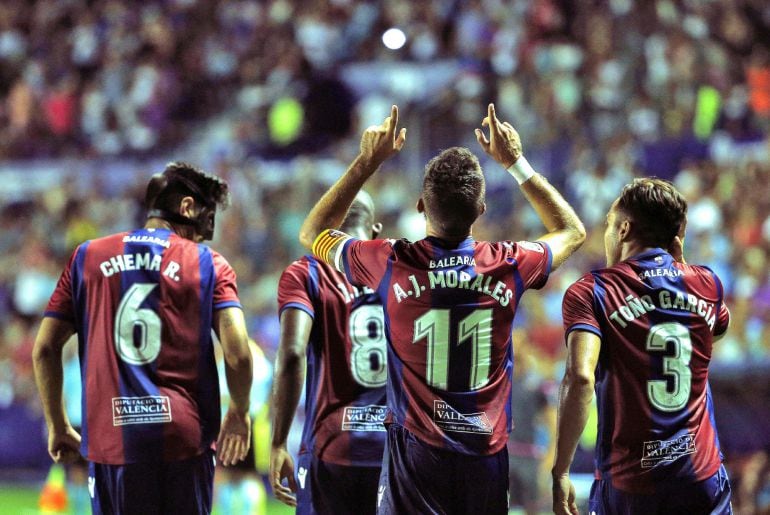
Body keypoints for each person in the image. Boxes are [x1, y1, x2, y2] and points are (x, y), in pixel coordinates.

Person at [297, 104, 586, 514]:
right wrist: (515, 163)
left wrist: (367, 161)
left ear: (420, 205)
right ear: (481, 209)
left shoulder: (391, 262)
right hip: (484, 455)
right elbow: (572, 231)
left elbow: (312, 232)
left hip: (415, 456)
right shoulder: (508, 262)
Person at [32, 162, 254, 515]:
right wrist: (240, 412)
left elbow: (45, 348)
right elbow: (239, 353)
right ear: (186, 208)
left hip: (114, 440)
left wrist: (58, 425)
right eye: (207, 219)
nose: (204, 234)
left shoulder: (86, 257)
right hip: (184, 439)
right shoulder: (208, 263)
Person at [552, 178, 733, 515]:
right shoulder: (706, 282)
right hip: (702, 479)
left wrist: (560, 470)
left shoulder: (593, 291)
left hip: (630, 488)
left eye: (607, 223)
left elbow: (580, 378)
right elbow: (716, 329)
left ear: (623, 229)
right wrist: (682, 271)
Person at [270, 191, 386, 514]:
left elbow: (291, 355)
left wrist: (278, 442)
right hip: (394, 454)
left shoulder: (307, 272)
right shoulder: (401, 271)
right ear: (375, 230)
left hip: (331, 450)